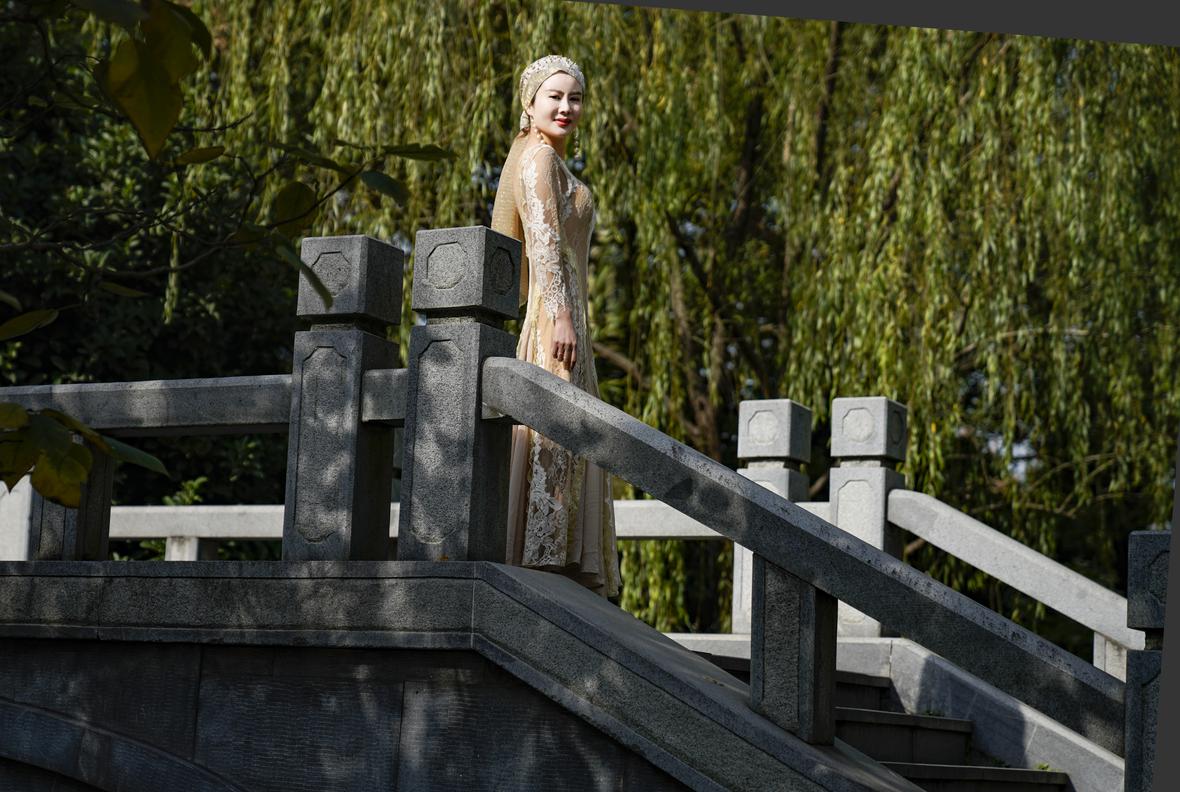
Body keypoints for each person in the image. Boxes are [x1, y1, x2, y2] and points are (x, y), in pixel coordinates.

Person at [490, 55, 621, 598]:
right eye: (555, 96)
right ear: (529, 103)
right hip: (556, 318)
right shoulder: (539, 158)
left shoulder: (552, 160)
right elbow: (542, 239)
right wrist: (562, 318)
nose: (567, 107)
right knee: (555, 430)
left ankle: (561, 560)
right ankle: (544, 561)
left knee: (572, 434)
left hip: (571, 318)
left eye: (576, 98)